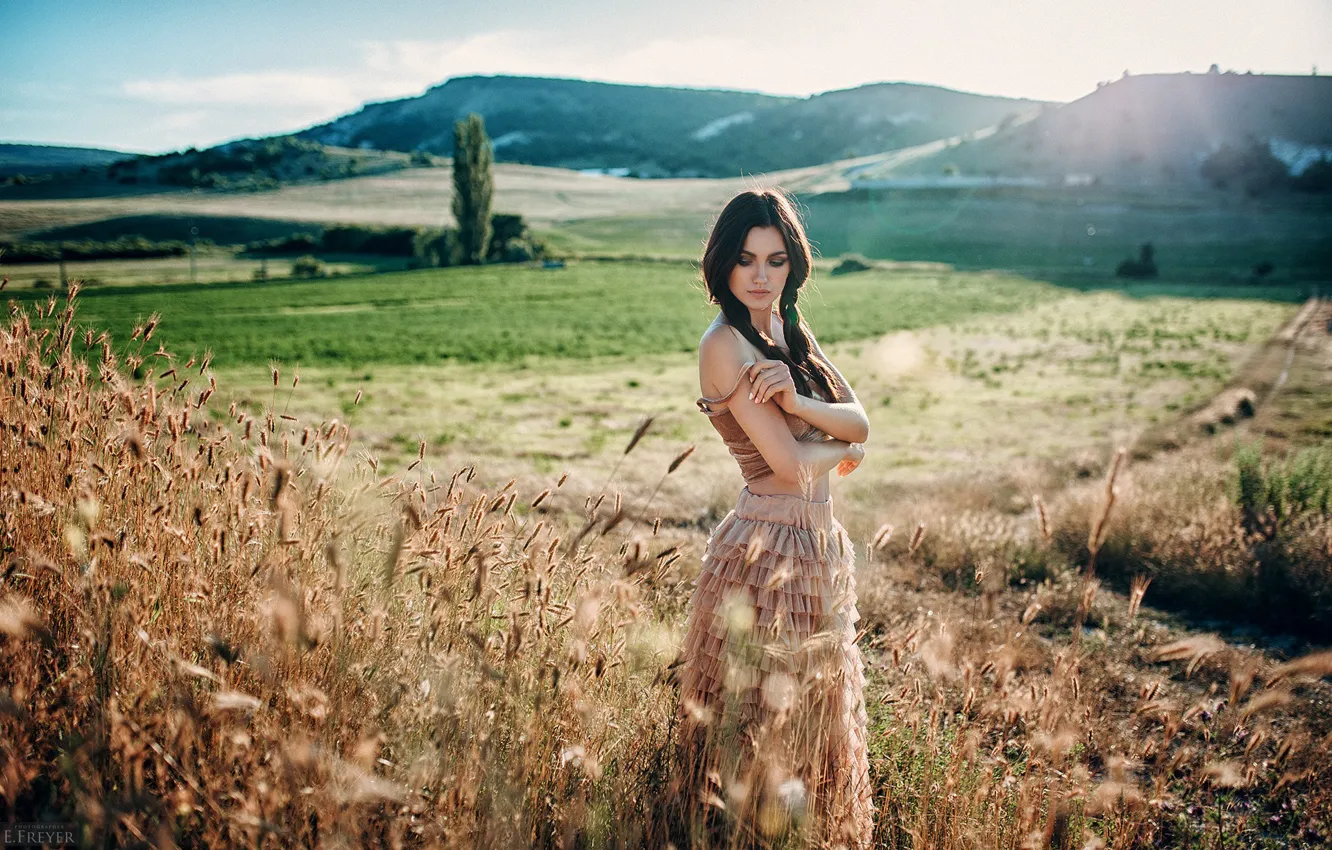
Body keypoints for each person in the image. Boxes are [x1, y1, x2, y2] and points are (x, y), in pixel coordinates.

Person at [675, 188, 874, 847]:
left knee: (814, 725)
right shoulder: (725, 345)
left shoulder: (788, 331)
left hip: (819, 548)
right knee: (759, 728)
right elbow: (790, 465)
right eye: (745, 259)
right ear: (721, 266)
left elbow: (859, 417)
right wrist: (843, 448)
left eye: (776, 260)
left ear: (794, 266)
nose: (761, 276)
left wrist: (803, 400)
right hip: (766, 550)